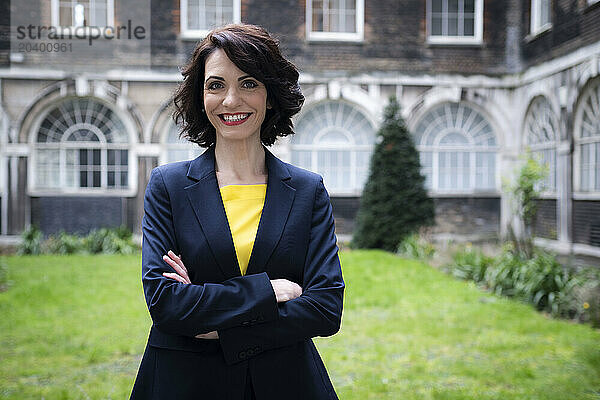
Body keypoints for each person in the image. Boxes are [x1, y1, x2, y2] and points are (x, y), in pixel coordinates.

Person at [130, 23, 345, 400]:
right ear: (200, 97)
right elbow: (166, 304)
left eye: (248, 83)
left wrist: (214, 321)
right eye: (216, 85)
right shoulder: (168, 186)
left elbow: (325, 308)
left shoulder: (308, 190)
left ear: (271, 96)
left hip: (286, 383)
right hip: (185, 383)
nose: (231, 100)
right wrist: (268, 291)